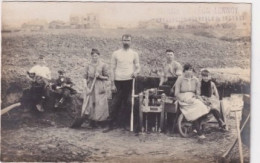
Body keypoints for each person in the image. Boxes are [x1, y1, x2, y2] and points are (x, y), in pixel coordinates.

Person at [103, 34, 141, 133]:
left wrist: (136, 72)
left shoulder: (134, 54)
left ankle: (126, 125)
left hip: (129, 81)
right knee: (115, 104)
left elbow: (138, 67)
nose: (126, 42)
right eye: (124, 40)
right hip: (118, 81)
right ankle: (110, 125)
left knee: (129, 103)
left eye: (128, 40)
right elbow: (112, 69)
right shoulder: (116, 53)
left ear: (131, 42)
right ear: (121, 41)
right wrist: (112, 84)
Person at [175, 63, 209, 139]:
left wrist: (197, 96)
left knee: (203, 107)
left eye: (190, 70)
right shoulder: (180, 79)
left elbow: (198, 92)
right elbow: (176, 93)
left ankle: (195, 127)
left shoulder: (196, 80)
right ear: (184, 71)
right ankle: (199, 133)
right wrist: (184, 99)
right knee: (192, 112)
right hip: (183, 98)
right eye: (187, 70)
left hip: (193, 97)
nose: (189, 72)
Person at [81, 48, 109, 128]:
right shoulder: (88, 65)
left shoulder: (103, 65)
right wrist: (85, 86)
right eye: (93, 56)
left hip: (99, 87)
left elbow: (107, 77)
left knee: (100, 104)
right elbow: (84, 77)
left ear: (99, 56)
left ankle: (99, 122)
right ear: (91, 56)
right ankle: (91, 122)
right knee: (90, 103)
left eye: (96, 56)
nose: (94, 57)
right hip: (90, 86)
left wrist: (99, 76)